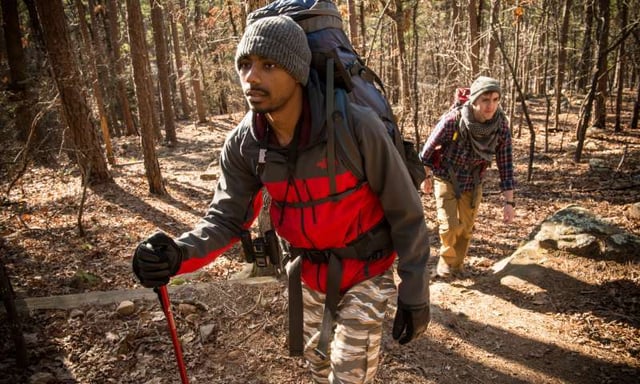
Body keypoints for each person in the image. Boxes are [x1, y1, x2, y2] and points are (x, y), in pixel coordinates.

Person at [132, 15, 430, 384]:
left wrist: (414, 293)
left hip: (366, 270)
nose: (251, 77)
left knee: (348, 375)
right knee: (319, 370)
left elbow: (406, 212)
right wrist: (177, 254)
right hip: (306, 274)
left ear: (297, 72)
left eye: (268, 65)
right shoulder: (245, 143)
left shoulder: (354, 125)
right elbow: (227, 219)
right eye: (245, 64)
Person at [420, 76, 516, 278]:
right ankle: (446, 262)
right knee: (450, 226)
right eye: (485, 100)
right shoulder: (453, 121)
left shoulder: (500, 127)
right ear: (474, 100)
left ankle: (457, 265)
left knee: (466, 228)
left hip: (473, 181)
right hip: (446, 176)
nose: (491, 106)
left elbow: (505, 165)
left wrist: (509, 202)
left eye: (495, 99)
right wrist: (425, 177)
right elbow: (426, 153)